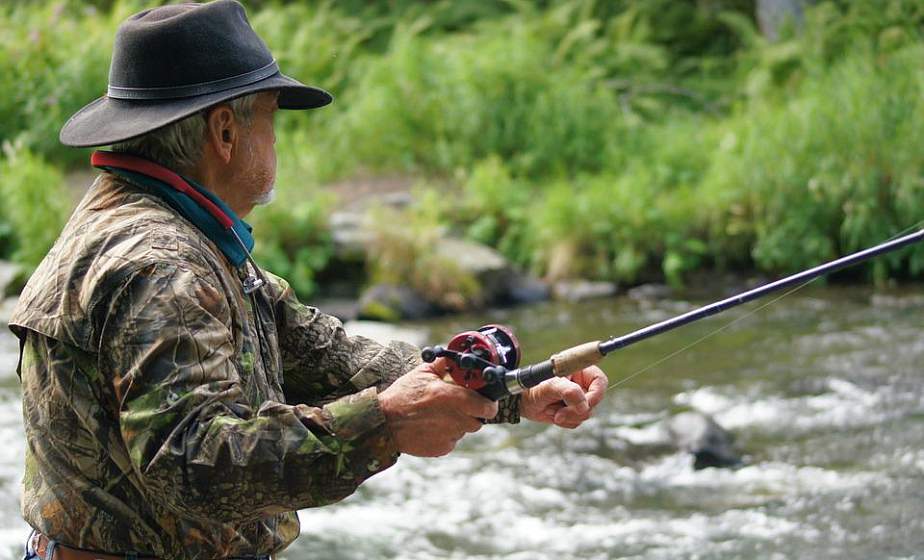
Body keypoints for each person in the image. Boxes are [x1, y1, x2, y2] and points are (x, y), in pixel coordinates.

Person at [9, 1, 608, 559]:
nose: (274, 142)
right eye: (271, 121)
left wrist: (509, 391)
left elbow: (323, 353)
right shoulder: (161, 262)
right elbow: (195, 467)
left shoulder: (154, 225)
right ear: (225, 132)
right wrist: (387, 422)